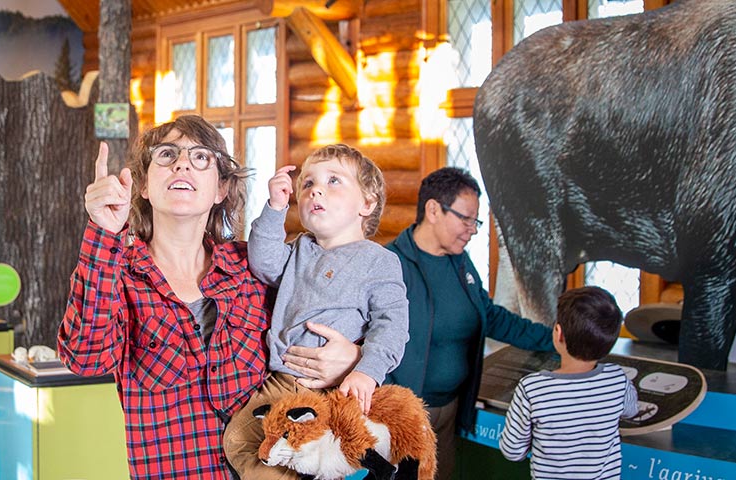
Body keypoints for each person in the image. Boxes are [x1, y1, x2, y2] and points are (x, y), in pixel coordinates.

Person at [60, 115, 360, 478]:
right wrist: (103, 233)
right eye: (167, 155)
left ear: (220, 189)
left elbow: (332, 324)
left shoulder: (255, 269)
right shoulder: (115, 273)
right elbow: (86, 360)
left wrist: (353, 357)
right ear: (143, 186)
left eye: (200, 157)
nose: (182, 163)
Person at [224, 144, 409, 479]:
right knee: (241, 439)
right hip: (283, 381)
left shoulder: (379, 261)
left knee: (330, 456)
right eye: (307, 183)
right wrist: (275, 208)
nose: (316, 189)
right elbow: (263, 262)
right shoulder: (299, 250)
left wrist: (367, 371)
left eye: (334, 181)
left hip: (339, 389)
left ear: (366, 203)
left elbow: (392, 325)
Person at [383, 166, 559, 477]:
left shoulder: (460, 261)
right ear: (434, 210)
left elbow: (489, 316)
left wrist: (554, 339)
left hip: (450, 410)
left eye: (474, 220)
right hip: (403, 416)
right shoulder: (390, 265)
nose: (473, 229)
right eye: (465, 219)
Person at [500, 287, 636, 479]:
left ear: (558, 333)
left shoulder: (532, 388)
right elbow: (631, 410)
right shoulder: (617, 380)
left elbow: (512, 451)